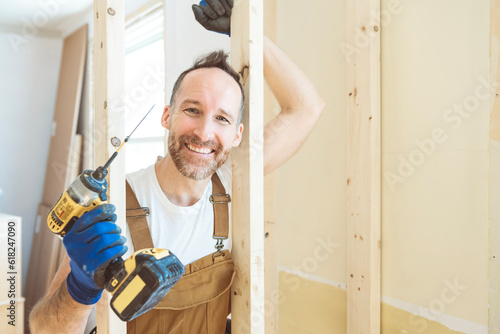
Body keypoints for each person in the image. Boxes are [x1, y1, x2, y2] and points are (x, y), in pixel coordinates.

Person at [29, 1, 325, 333]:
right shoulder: (111, 205)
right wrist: (79, 288)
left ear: (237, 135)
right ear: (167, 116)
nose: (204, 132)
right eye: (193, 110)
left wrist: (247, 33)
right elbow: (44, 328)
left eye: (222, 118)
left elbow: (306, 108)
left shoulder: (234, 184)